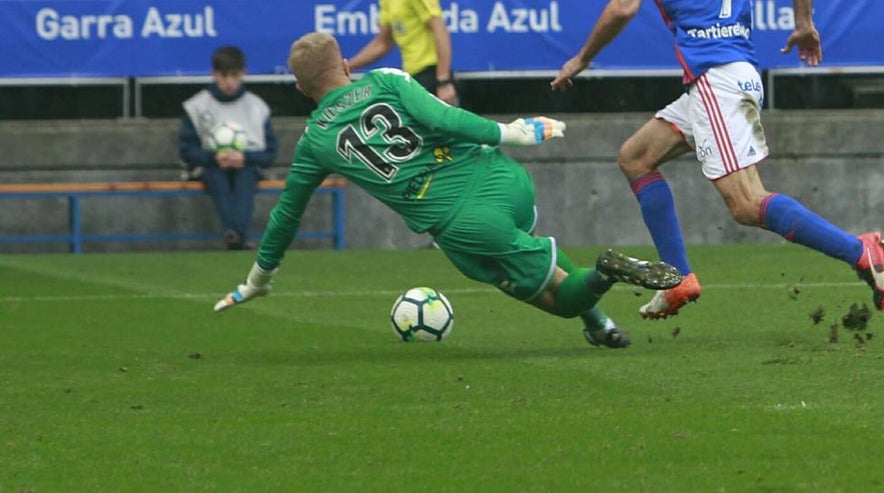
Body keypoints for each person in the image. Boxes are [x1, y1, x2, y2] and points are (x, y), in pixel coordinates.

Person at [550, 0, 884, 319]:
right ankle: (678, 279)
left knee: (748, 204)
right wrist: (805, 22)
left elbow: (623, 5)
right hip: (724, 79)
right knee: (635, 156)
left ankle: (858, 250)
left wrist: (583, 58)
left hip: (718, 81)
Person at [213, 31, 683, 350]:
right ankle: (599, 324)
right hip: (503, 179)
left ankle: (603, 275)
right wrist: (511, 132)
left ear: (299, 88)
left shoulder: (315, 140)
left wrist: (258, 280)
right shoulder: (388, 80)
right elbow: (444, 118)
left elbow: (285, 216)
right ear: (343, 62)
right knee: (535, 254)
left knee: (559, 298)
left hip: (464, 225)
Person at [179, 45, 279, 250]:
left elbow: (269, 153)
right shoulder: (197, 106)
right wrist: (214, 157)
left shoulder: (256, 107)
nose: (230, 82)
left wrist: (245, 158)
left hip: (248, 166)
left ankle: (234, 234)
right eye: (224, 76)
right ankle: (237, 237)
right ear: (214, 74)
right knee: (218, 179)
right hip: (209, 167)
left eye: (234, 75)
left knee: (245, 180)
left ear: (243, 73)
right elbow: (187, 150)